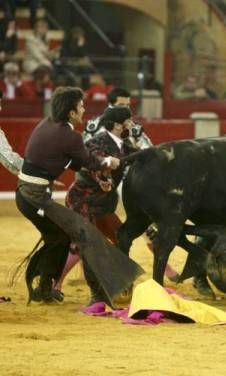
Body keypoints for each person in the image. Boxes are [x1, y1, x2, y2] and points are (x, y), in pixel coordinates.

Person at [14, 87, 143, 304]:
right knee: (86, 235)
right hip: (35, 198)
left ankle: (45, 288)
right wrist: (107, 163)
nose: (84, 109)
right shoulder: (69, 136)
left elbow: (72, 161)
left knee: (60, 237)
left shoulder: (47, 124)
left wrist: (99, 175)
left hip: (27, 195)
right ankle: (97, 295)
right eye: (81, 105)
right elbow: (88, 161)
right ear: (72, 113)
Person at [55, 106, 139, 303]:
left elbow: (140, 154)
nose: (132, 124)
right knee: (83, 244)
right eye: (129, 121)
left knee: (121, 237)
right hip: (82, 200)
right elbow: (93, 162)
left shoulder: (123, 144)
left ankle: (119, 283)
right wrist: (102, 177)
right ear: (118, 125)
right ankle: (55, 285)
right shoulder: (97, 142)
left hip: (102, 205)